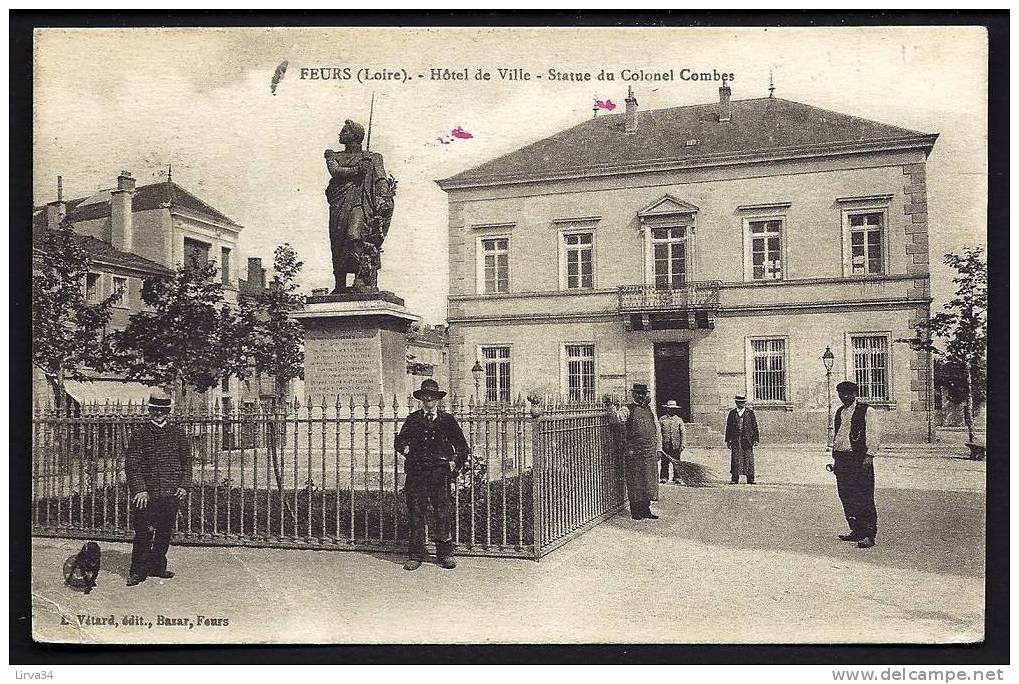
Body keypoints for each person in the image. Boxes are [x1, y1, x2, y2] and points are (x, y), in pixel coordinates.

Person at [395, 379, 470, 571]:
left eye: (432, 396)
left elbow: (462, 447)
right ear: (420, 399)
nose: (428, 399)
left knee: (441, 513)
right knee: (416, 512)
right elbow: (400, 440)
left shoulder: (447, 420)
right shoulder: (413, 419)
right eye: (425, 396)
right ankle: (416, 554)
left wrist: (454, 464)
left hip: (439, 473)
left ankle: (445, 554)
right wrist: (405, 449)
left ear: (437, 399)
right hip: (417, 473)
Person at [124, 393, 191, 586]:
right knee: (143, 532)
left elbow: (186, 462)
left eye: (162, 411)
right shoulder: (140, 434)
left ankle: (157, 566)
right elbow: (132, 465)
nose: (158, 414)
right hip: (147, 494)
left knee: (164, 532)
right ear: (150, 411)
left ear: (168, 412)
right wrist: (140, 489)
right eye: (155, 410)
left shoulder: (178, 433)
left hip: (171, 492)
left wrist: (184, 485)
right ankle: (137, 571)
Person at [324, 118, 396, 293]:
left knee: (355, 236)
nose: (340, 134)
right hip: (339, 203)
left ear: (356, 136)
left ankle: (364, 277)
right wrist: (357, 170)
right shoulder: (333, 155)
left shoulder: (373, 157)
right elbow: (335, 171)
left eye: (344, 132)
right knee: (338, 241)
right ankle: (339, 284)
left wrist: (384, 195)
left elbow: (380, 178)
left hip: (361, 202)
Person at [831, 380, 883, 548]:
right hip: (842, 459)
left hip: (859, 459)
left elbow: (874, 434)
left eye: (848, 393)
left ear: (854, 394)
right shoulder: (840, 412)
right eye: (841, 394)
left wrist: (869, 456)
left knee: (864, 496)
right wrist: (835, 459)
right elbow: (838, 436)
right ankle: (856, 530)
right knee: (846, 495)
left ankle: (869, 534)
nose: (844, 397)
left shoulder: (867, 411)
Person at [609, 383, 661, 520]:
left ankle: (646, 509)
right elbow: (616, 419)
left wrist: (659, 449)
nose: (641, 396)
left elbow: (657, 431)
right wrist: (611, 407)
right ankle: (636, 510)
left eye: (643, 393)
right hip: (635, 452)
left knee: (648, 481)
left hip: (649, 452)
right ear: (633, 394)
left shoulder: (650, 410)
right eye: (638, 393)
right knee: (635, 481)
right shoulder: (628, 409)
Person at [725, 394, 760, 484]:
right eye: (739, 403)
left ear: (745, 403)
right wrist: (728, 440)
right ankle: (734, 478)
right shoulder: (732, 413)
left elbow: (754, 426)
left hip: (747, 439)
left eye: (743, 403)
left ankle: (750, 478)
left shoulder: (750, 413)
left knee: (748, 458)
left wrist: (756, 439)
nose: (741, 404)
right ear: (736, 403)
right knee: (736, 458)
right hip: (736, 439)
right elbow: (728, 427)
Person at [659, 400, 687, 484]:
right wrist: (659, 445)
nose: (672, 410)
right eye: (670, 409)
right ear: (667, 409)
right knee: (664, 462)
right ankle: (664, 477)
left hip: (676, 445)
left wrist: (682, 444)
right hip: (665, 444)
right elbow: (659, 433)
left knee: (676, 461)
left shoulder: (679, 420)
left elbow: (683, 433)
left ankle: (677, 477)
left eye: (673, 409)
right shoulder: (662, 419)